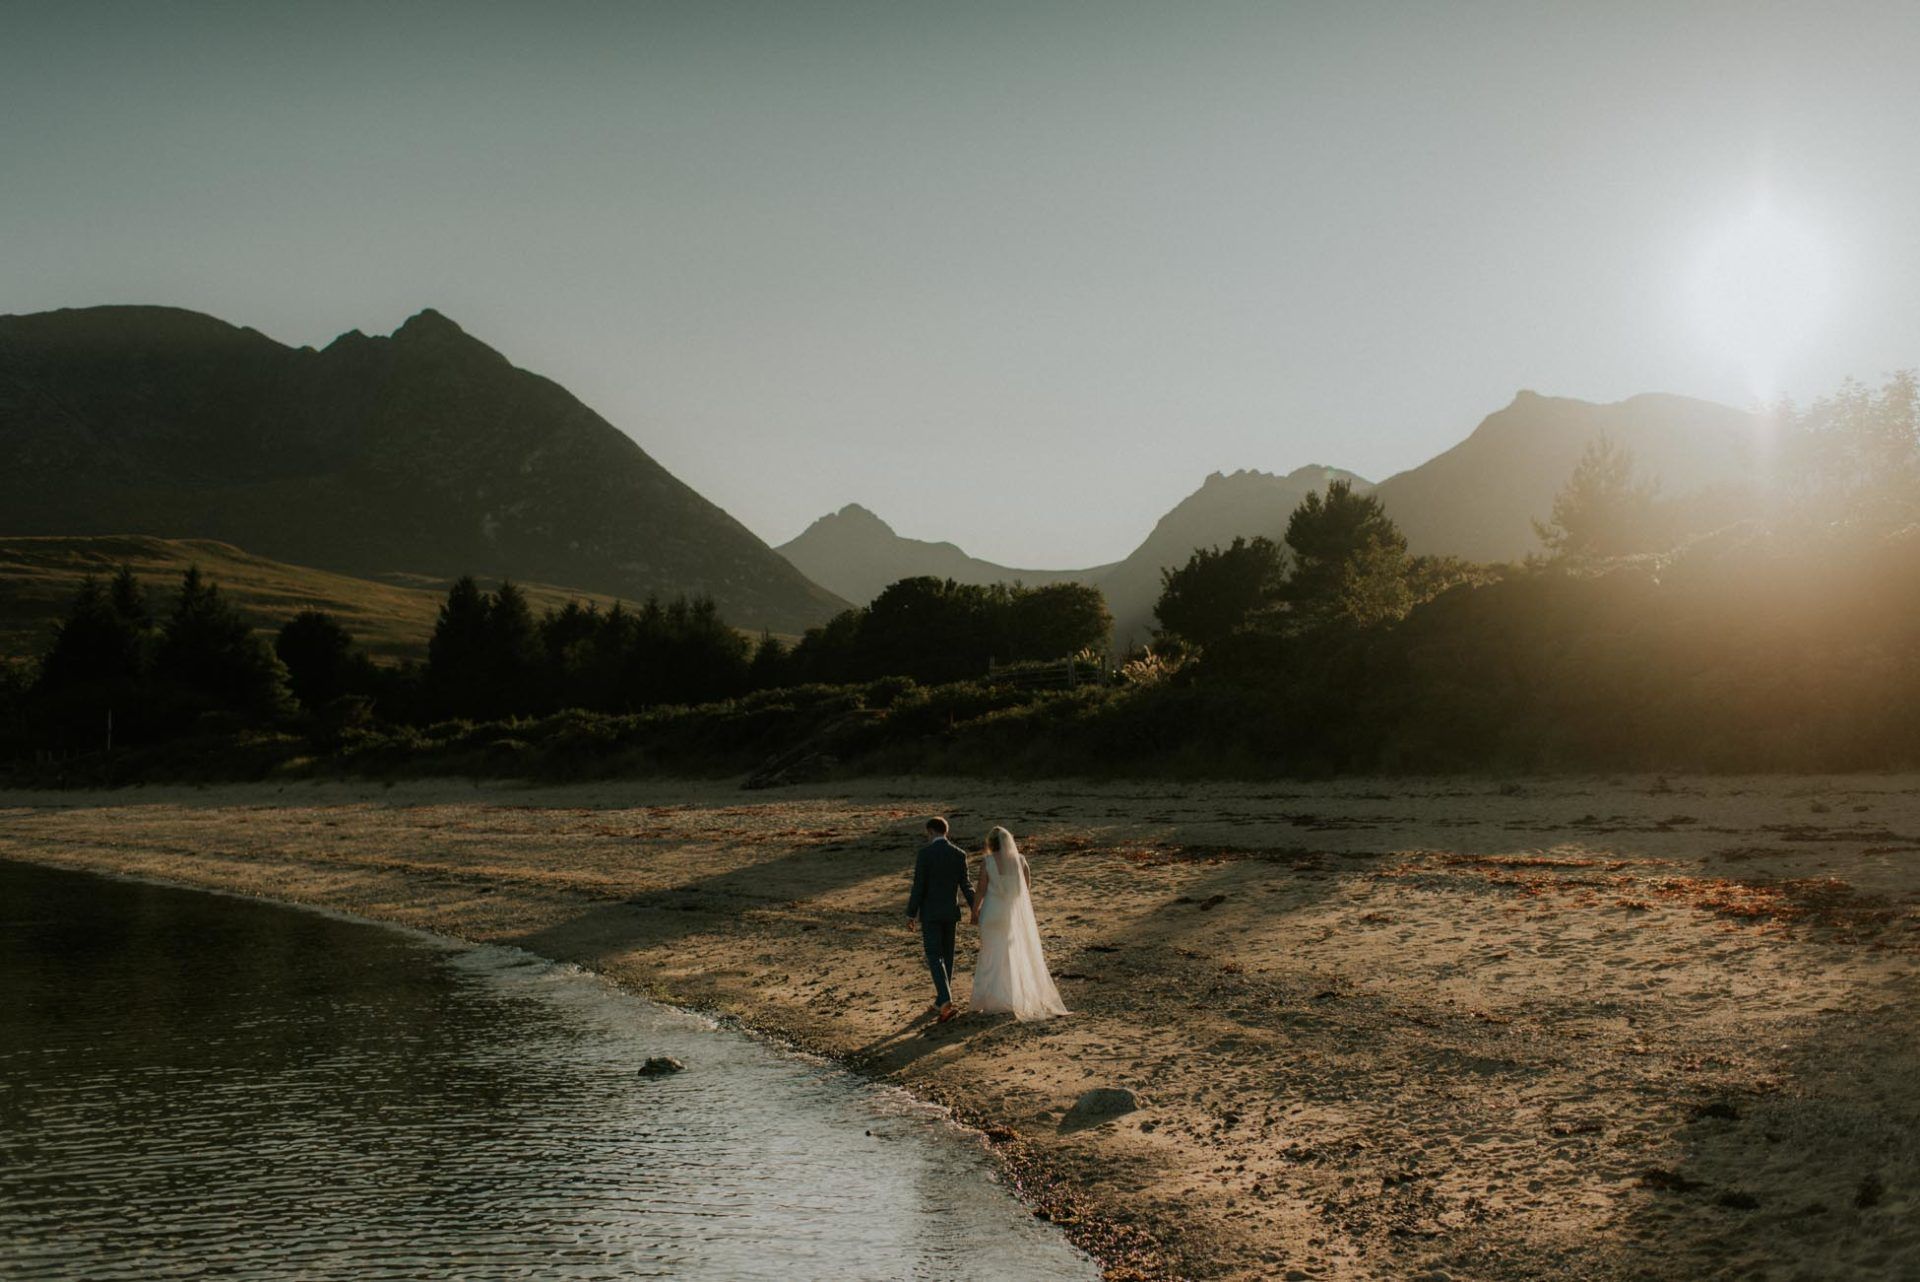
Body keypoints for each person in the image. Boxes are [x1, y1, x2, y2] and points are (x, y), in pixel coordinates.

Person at [968, 826, 1068, 1021]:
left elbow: (980, 889)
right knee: (1011, 954)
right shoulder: (1020, 861)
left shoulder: (987, 861)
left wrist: (974, 912)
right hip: (1011, 913)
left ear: (991, 843)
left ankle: (989, 1000)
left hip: (991, 913)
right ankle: (1010, 998)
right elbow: (1026, 889)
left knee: (990, 954)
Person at [906, 816, 975, 1023]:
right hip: (950, 913)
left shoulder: (925, 854)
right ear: (946, 831)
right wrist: (976, 908)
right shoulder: (959, 854)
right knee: (947, 955)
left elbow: (919, 886)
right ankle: (940, 1000)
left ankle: (945, 1000)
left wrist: (911, 913)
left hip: (931, 914)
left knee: (934, 955)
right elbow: (966, 885)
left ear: (930, 831)